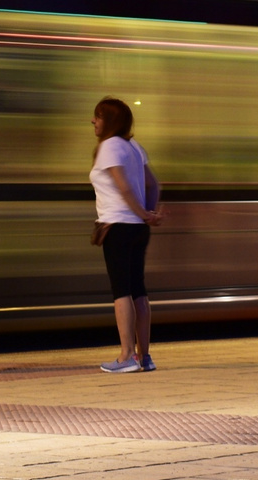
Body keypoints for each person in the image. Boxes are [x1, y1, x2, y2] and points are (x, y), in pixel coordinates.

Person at [90, 96, 162, 373]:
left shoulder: (109, 146)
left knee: (122, 292)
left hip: (118, 226)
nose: (93, 121)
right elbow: (154, 184)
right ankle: (145, 357)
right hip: (138, 229)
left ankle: (126, 356)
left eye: (97, 116)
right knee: (138, 291)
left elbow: (123, 187)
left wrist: (145, 213)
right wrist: (149, 213)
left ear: (110, 121)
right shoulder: (134, 146)